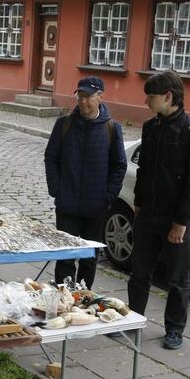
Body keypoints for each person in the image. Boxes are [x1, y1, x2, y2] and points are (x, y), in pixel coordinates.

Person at [128, 71, 190, 350]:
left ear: (168, 97)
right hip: (148, 214)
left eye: (150, 97)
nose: (145, 101)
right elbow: (144, 170)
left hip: (176, 220)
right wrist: (138, 202)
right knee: (140, 273)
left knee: (177, 279)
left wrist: (180, 222)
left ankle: (174, 330)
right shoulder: (151, 127)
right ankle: (133, 320)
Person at [44, 76, 127, 290]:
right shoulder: (64, 124)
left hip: (96, 207)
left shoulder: (112, 128)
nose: (83, 101)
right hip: (67, 205)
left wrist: (107, 197)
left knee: (89, 259)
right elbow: (51, 157)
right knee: (65, 256)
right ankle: (63, 296)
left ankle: (82, 298)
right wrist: (56, 189)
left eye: (88, 97)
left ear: (100, 97)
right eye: (80, 96)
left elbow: (119, 166)